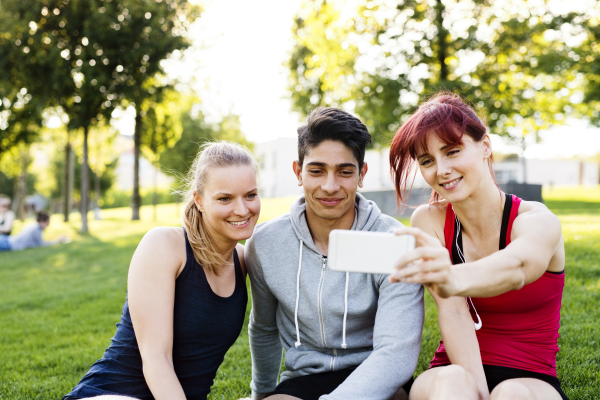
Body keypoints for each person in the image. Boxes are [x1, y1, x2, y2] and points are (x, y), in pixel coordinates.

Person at [387, 92, 567, 400]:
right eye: (427, 161)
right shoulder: (428, 220)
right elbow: (454, 311)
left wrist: (452, 278)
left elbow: (519, 267)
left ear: (485, 146)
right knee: (455, 384)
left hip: (529, 375)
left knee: (510, 394)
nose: (441, 169)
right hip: (453, 367)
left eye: (452, 151)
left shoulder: (536, 218)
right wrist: (478, 392)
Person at [245, 107, 424, 400]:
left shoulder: (394, 241)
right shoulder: (265, 243)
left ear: (361, 174)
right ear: (298, 172)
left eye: (344, 171)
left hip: (375, 376)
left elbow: (396, 353)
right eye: (316, 171)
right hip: (305, 379)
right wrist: (262, 395)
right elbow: (263, 329)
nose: (330, 187)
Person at [62, 141, 260, 400]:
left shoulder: (245, 260)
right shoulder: (164, 245)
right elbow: (156, 358)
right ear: (199, 200)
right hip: (115, 393)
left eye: (250, 195)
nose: (242, 209)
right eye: (225, 198)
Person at [0, 211, 68, 252]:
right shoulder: (37, 229)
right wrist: (57, 241)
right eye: (47, 222)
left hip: (8, 240)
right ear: (42, 221)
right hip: (9, 244)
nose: (48, 225)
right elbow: (41, 245)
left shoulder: (34, 226)